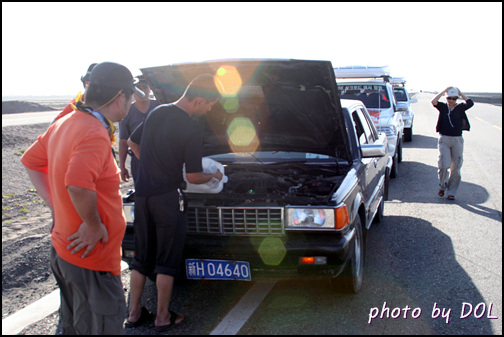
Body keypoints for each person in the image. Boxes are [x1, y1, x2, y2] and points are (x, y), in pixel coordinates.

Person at [21, 62, 145, 334]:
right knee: (101, 324)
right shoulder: (93, 132)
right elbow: (77, 185)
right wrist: (91, 223)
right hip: (92, 260)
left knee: (76, 325)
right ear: (120, 96)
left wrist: (57, 205)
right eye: (131, 96)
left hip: (66, 250)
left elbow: (31, 161)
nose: (132, 103)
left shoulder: (65, 121)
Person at [126, 74, 224, 332]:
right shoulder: (190, 127)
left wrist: (150, 166)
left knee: (142, 257)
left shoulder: (157, 112)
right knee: (166, 260)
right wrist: (214, 175)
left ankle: (134, 313)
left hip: (143, 195)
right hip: (168, 199)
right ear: (199, 100)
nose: (209, 110)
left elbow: (132, 142)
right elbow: (193, 176)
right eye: (210, 105)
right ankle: (162, 317)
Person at [431, 86, 474, 200]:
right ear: (446, 98)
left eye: (454, 98)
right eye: (450, 98)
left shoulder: (460, 108)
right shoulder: (443, 108)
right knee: (444, 165)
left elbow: (470, 103)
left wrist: (460, 92)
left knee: (456, 167)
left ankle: (452, 192)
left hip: (457, 140)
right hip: (444, 139)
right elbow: (434, 101)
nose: (451, 100)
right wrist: (444, 91)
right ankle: (442, 186)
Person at [119, 75, 159, 183]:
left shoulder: (160, 106)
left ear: (150, 89)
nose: (142, 91)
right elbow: (123, 141)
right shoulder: (126, 112)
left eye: (144, 88)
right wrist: (122, 166)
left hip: (160, 157)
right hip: (138, 159)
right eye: (138, 88)